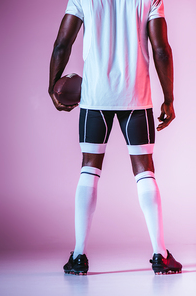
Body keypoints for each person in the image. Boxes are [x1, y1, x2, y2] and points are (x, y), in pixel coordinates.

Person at [48, 0, 182, 275]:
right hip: (136, 97)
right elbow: (161, 50)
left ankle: (78, 257)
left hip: (95, 96)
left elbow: (62, 43)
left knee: (89, 167)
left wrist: (53, 87)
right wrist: (168, 98)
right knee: (145, 169)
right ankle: (160, 255)